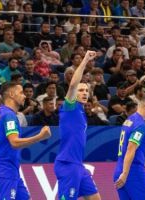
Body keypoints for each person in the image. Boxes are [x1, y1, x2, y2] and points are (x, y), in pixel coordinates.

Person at [0, 82, 51, 199]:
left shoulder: (0, 113)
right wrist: (40, 137)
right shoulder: (9, 115)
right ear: (12, 94)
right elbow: (14, 142)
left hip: (10, 171)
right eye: (21, 92)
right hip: (5, 172)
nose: (25, 96)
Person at [54, 50, 101, 200]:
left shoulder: (81, 111)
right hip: (67, 164)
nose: (85, 93)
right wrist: (86, 59)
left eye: (87, 90)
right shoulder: (70, 108)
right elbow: (73, 84)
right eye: (81, 90)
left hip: (78, 165)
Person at [114, 94, 145, 200]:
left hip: (119, 169)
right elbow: (130, 149)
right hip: (133, 173)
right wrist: (126, 174)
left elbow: (126, 146)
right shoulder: (140, 125)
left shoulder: (129, 120)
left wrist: (142, 161)